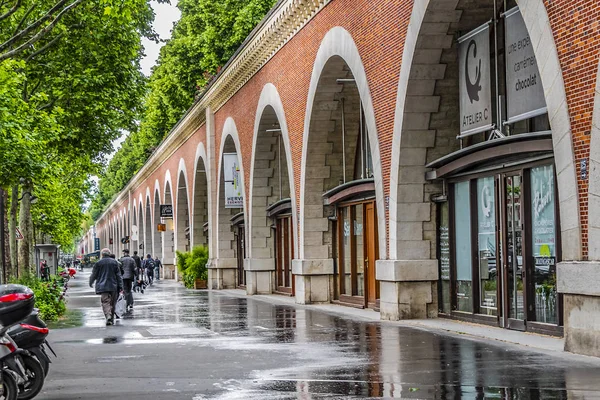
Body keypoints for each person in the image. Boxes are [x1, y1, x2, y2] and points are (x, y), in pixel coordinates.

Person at [89, 248, 123, 326]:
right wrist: (121, 286)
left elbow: (94, 274)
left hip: (103, 286)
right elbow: (119, 275)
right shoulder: (115, 262)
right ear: (109, 254)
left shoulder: (98, 263)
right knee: (113, 302)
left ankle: (108, 316)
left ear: (102, 254)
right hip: (113, 285)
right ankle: (112, 317)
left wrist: (91, 282)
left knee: (105, 302)